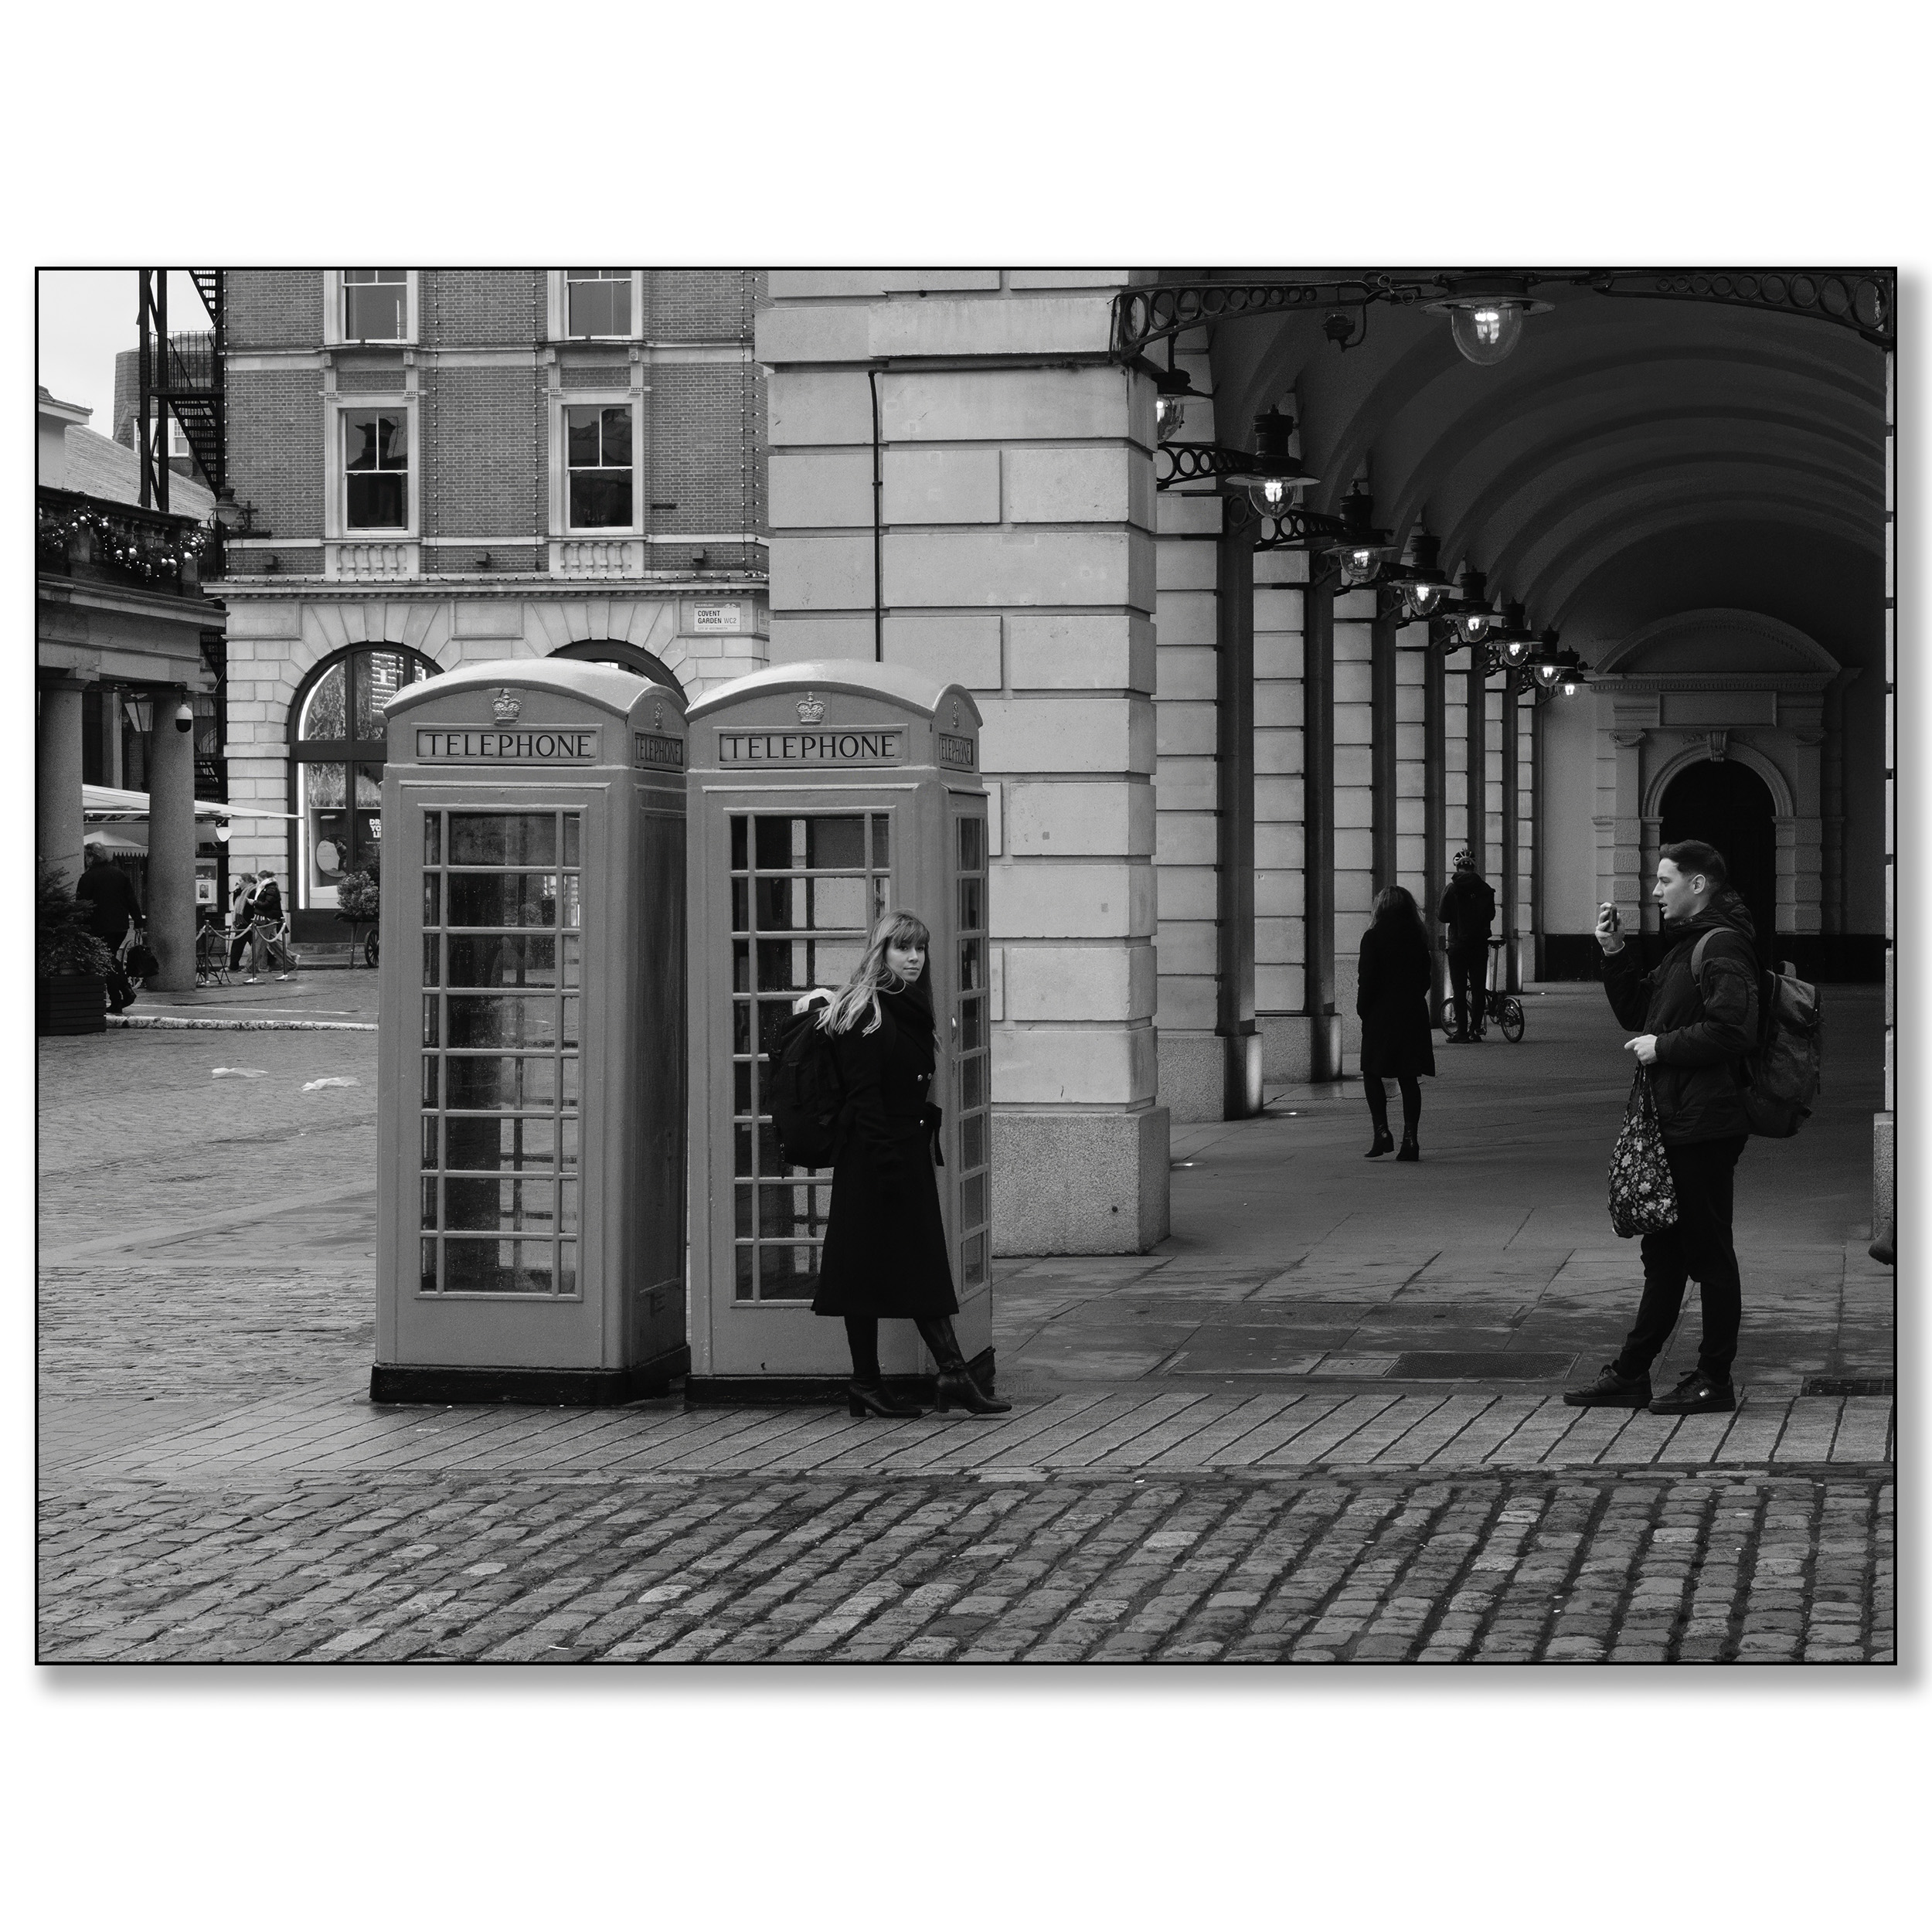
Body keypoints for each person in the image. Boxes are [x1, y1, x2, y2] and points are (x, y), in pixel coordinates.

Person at [1564, 841, 1760, 1417]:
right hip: (1676, 1118)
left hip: (1703, 1123)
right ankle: (1631, 1373)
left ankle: (1714, 1379)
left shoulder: (1722, 946)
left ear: (1698, 885)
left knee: (1709, 1255)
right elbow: (1637, 1013)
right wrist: (1614, 949)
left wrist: (1663, 1047)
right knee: (1666, 1255)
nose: (1654, 890)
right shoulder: (1688, 948)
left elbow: (1735, 1031)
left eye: (1665, 880)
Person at [801, 910, 1011, 1420]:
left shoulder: (910, 1004)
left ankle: (934, 1376)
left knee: (909, 1267)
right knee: (866, 1273)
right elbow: (864, 1097)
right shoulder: (866, 1010)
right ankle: (884, 1381)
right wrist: (890, 1168)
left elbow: (901, 1082)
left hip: (902, 1151)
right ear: (881, 952)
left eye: (920, 949)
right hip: (875, 1160)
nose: (914, 958)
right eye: (902, 948)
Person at [1356, 886, 1436, 1162]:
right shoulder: (1418, 938)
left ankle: (1382, 1132)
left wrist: (1363, 1010)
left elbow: (1366, 979)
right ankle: (1411, 1139)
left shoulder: (1373, 937)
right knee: (1409, 1077)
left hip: (1381, 1013)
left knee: (1372, 1071)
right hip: (1412, 1012)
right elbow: (1425, 979)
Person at [74, 846, 143, 1014]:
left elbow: (82, 905)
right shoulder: (119, 874)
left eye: (86, 856)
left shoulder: (88, 877)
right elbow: (131, 899)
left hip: (99, 926)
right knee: (110, 959)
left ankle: (121, 996)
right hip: (120, 926)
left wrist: (78, 925)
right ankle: (123, 994)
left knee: (106, 961)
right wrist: (138, 921)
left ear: (91, 857)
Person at [1437, 849, 1496, 1042]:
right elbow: (1491, 915)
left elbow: (1442, 916)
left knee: (1459, 990)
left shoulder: (1451, 889)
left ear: (1458, 867)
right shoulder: (1485, 888)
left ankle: (1461, 1032)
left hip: (1458, 944)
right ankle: (1475, 1029)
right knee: (1479, 989)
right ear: (1473, 867)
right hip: (1479, 944)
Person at [245, 869, 287, 983]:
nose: (258, 882)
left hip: (267, 919)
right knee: (273, 943)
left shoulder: (270, 888)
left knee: (259, 942)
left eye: (259, 880)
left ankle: (251, 966)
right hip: (265, 918)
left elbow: (267, 905)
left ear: (264, 879)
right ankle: (290, 961)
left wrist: (254, 903)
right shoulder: (267, 888)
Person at [228, 871, 258, 973]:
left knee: (238, 944)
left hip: (248, 922)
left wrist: (251, 920)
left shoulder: (253, 891)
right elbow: (236, 904)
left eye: (240, 881)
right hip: (243, 922)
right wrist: (236, 892)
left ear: (246, 881)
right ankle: (272, 961)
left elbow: (252, 907)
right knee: (255, 944)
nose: (239, 883)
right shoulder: (242, 891)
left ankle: (233, 966)